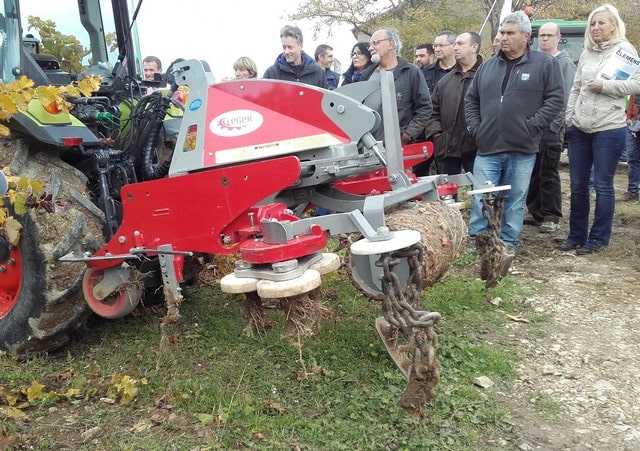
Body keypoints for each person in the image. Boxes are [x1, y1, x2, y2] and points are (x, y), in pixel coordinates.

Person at [465, 11, 564, 253]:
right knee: (482, 197)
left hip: (522, 147)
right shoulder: (488, 66)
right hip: (487, 147)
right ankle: (477, 241)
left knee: (515, 201)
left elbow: (555, 99)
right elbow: (471, 100)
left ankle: (508, 243)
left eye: (510, 33)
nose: (503, 37)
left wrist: (532, 125)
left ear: (526, 36)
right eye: (502, 32)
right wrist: (476, 129)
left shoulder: (544, 64)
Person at [559, 4, 640, 254]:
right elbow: (576, 88)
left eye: (601, 23)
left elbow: (637, 84)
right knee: (578, 185)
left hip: (609, 128)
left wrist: (605, 86)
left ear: (613, 25)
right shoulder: (586, 52)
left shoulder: (625, 51)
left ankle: (598, 239)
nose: (595, 28)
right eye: (592, 24)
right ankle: (575, 236)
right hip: (580, 128)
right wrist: (570, 118)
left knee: (603, 186)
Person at [526, 22, 577, 233]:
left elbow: (565, 98)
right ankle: (536, 211)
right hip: (531, 128)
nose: (544, 39)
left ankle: (551, 215)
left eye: (549, 35)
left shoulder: (564, 64)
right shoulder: (534, 62)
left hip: (551, 129)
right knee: (532, 172)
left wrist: (555, 126)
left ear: (558, 37)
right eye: (541, 35)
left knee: (548, 171)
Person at [360, 28, 432, 148]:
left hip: (398, 149)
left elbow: (424, 108)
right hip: (368, 148)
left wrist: (407, 136)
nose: (370, 48)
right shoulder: (366, 74)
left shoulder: (411, 72)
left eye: (375, 43)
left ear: (391, 44)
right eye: (369, 45)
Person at [425, 31, 482, 175]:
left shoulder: (487, 75)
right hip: (447, 148)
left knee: (482, 193)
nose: (455, 47)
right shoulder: (445, 81)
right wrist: (438, 136)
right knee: (447, 194)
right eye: (455, 44)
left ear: (474, 47)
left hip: (479, 148)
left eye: (460, 44)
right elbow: (433, 112)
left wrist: (482, 136)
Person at [263, 25, 327, 88]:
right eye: (284, 47)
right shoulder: (271, 74)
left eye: (290, 47)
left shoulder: (318, 73)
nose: (286, 51)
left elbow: (325, 98)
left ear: (300, 46)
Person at [617, 95, 640, 201]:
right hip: (634, 124)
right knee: (632, 159)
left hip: (635, 123)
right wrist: (629, 117)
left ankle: (633, 191)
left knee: (633, 159)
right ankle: (632, 192)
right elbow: (632, 98)